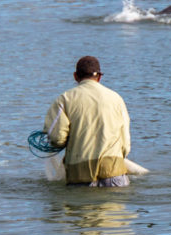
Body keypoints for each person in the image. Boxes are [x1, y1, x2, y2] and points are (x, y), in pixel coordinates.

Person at [44, 56, 132, 187]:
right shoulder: (116, 99)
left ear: (75, 76)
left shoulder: (64, 100)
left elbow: (57, 139)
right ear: (100, 77)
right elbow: (125, 145)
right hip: (114, 172)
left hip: (80, 174)